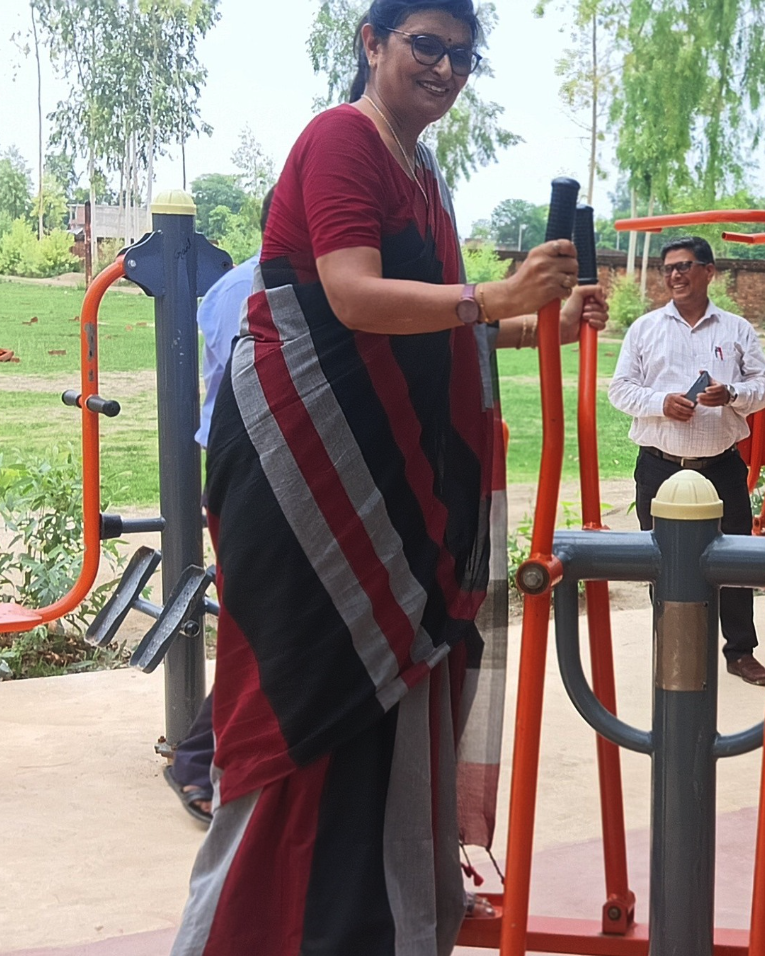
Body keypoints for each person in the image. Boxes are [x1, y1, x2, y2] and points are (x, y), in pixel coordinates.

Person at [169, 2, 606, 952]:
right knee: (301, 705)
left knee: (388, 702)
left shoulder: (422, 170)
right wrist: (495, 295)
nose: (446, 69)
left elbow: (436, 328)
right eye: (426, 46)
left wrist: (537, 321)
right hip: (304, 479)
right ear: (371, 44)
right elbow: (352, 295)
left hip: (391, 484)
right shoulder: (342, 140)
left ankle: (377, 927)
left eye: (463, 56)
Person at [609, 235, 765, 685]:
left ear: (709, 272)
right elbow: (619, 389)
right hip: (660, 466)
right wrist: (661, 403)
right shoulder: (644, 328)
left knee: (734, 556)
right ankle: (673, 648)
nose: (675, 275)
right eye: (668, 268)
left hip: (720, 465)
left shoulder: (736, 329)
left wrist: (732, 394)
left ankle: (740, 651)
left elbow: (763, 387)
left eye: (684, 266)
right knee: (661, 560)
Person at [163, 192, 275, 826]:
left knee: (257, 612)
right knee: (258, 617)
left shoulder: (231, 285)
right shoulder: (263, 288)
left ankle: (224, 755)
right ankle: (199, 757)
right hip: (255, 462)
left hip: (239, 461)